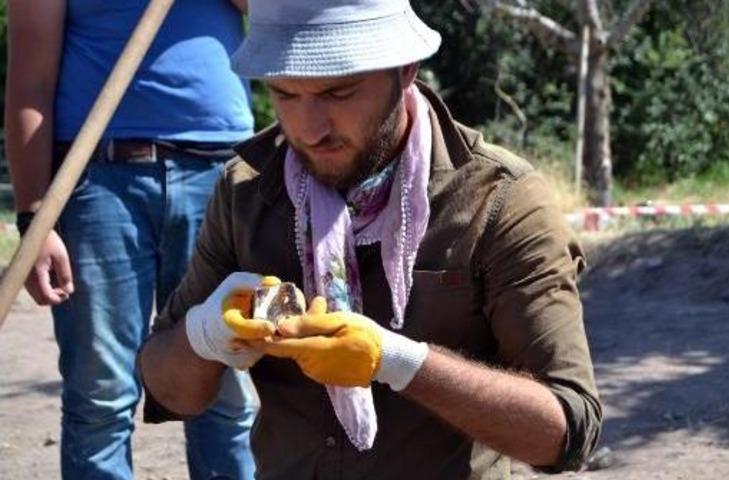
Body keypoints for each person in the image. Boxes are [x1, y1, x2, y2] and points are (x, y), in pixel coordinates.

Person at [139, 0, 603, 478]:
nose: (309, 129)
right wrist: (206, 332)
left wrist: (398, 362)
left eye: (338, 93)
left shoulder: (499, 200)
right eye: (284, 95)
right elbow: (168, 392)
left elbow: (565, 431)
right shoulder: (247, 191)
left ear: (405, 70)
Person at [4, 0, 258, 478]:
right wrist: (33, 215)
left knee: (226, 384)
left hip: (221, 174)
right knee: (100, 395)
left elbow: (278, 13)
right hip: (98, 179)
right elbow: (29, 81)